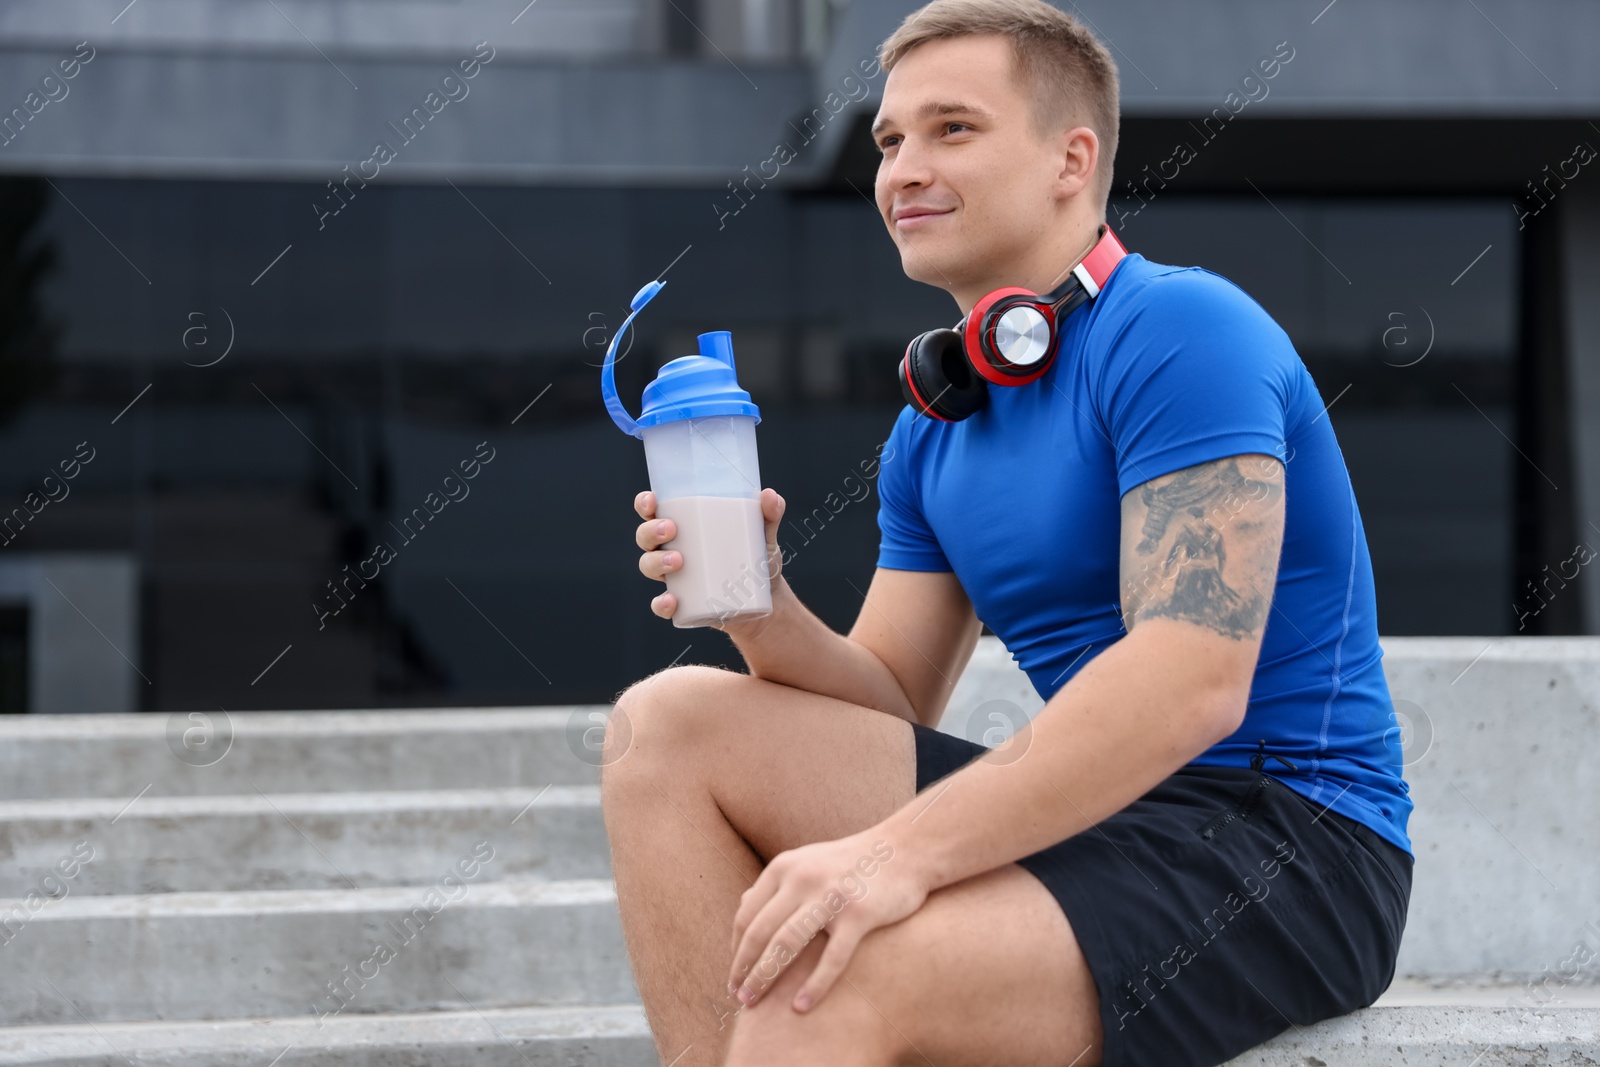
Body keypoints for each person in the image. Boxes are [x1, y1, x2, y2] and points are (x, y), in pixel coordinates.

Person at [600, 2, 1414, 1065]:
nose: (902, 168)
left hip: (1286, 843)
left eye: (952, 129)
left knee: (824, 982)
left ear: (1072, 158)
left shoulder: (1182, 331)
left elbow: (1189, 676)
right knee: (666, 725)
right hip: (1102, 814)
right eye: (890, 140)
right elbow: (892, 697)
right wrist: (763, 608)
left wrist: (893, 854)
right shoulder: (934, 423)